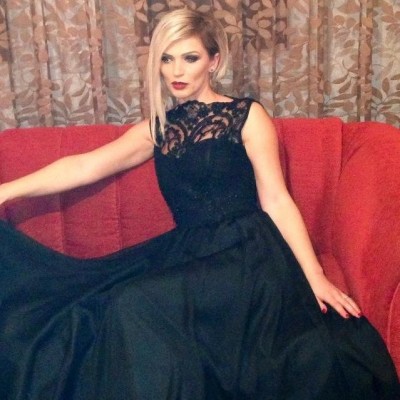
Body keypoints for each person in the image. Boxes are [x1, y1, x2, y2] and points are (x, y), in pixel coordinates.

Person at [0, 8, 398, 400]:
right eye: (167, 59)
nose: (177, 70)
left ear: (214, 62)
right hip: (190, 251)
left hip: (248, 254)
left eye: (190, 58)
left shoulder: (246, 115)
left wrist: (314, 275)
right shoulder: (159, 127)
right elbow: (85, 166)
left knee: (134, 303)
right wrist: (6, 190)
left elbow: (277, 199)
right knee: (94, 306)